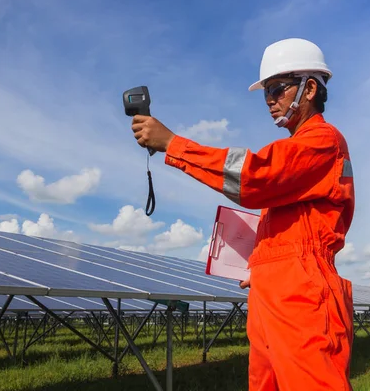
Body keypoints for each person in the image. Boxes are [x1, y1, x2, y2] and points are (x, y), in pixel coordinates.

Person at [131, 38, 355, 390]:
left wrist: (173, 145)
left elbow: (254, 178)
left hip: (301, 291)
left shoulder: (322, 141)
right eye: (266, 91)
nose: (269, 100)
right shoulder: (299, 154)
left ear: (310, 88)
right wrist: (264, 266)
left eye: (278, 88)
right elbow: (286, 222)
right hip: (274, 288)